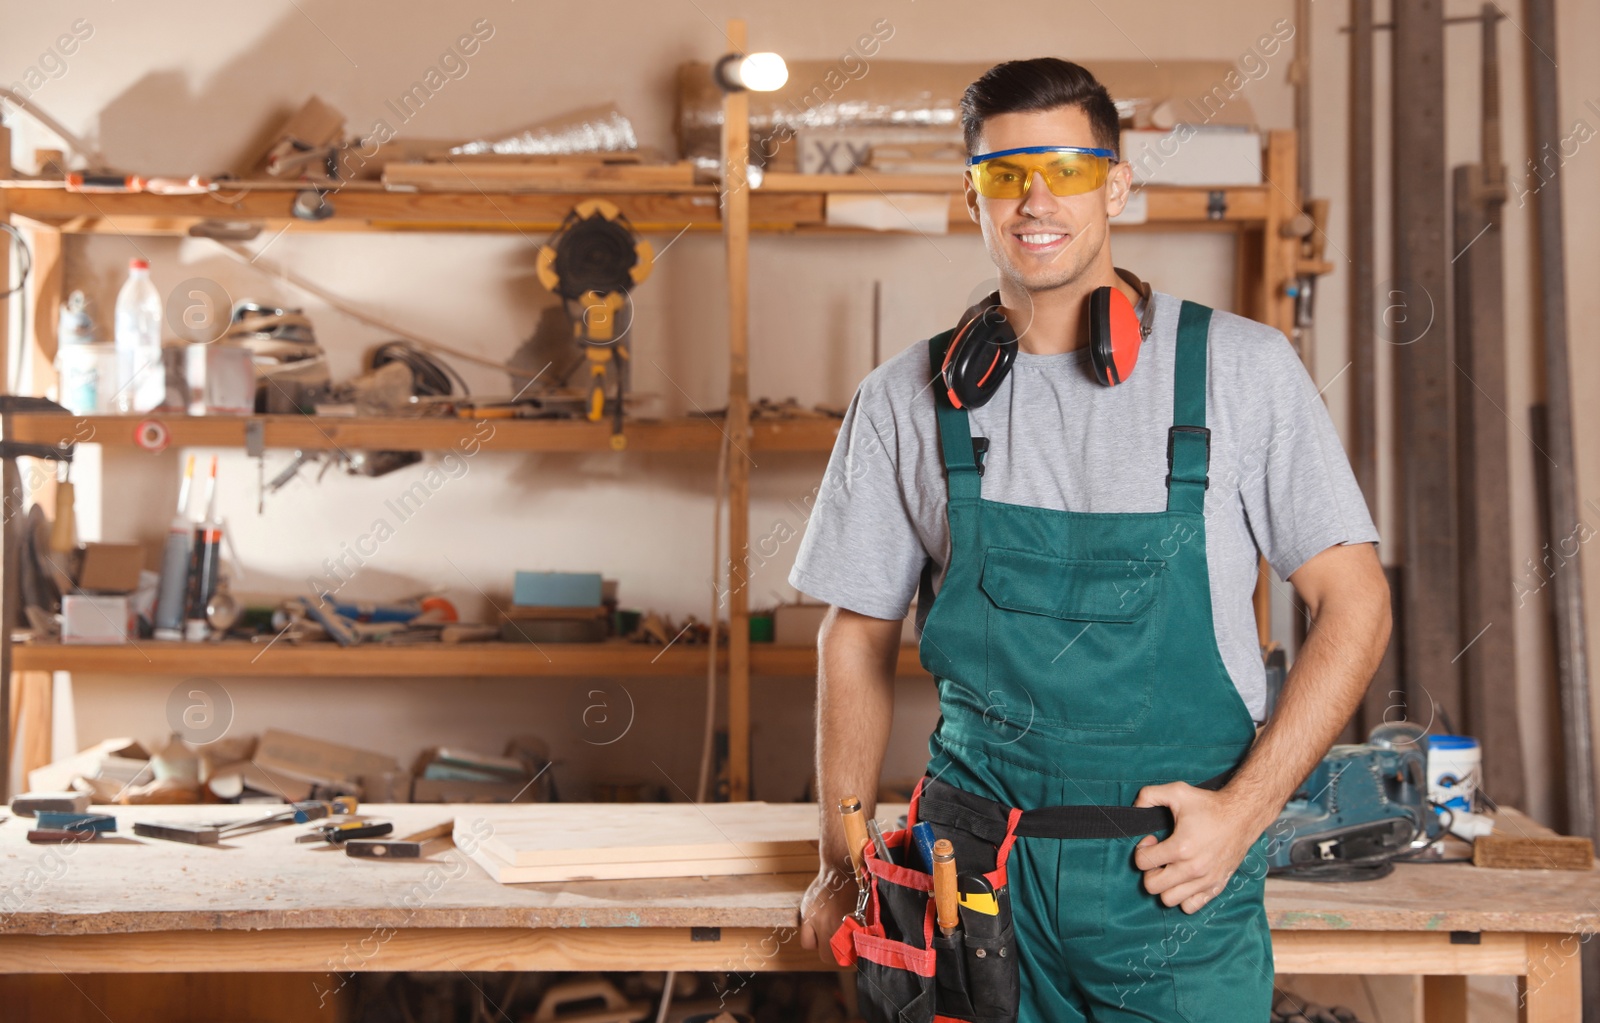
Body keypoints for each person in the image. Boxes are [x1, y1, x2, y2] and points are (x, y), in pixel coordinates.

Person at [788, 58, 1391, 1021]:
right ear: (972, 191)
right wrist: (842, 855)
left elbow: (1356, 601)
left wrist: (1244, 814)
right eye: (1004, 173)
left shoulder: (1240, 372)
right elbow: (852, 636)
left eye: (1067, 167)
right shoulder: (906, 397)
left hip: (1171, 880)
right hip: (974, 883)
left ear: (1115, 182)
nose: (1036, 199)